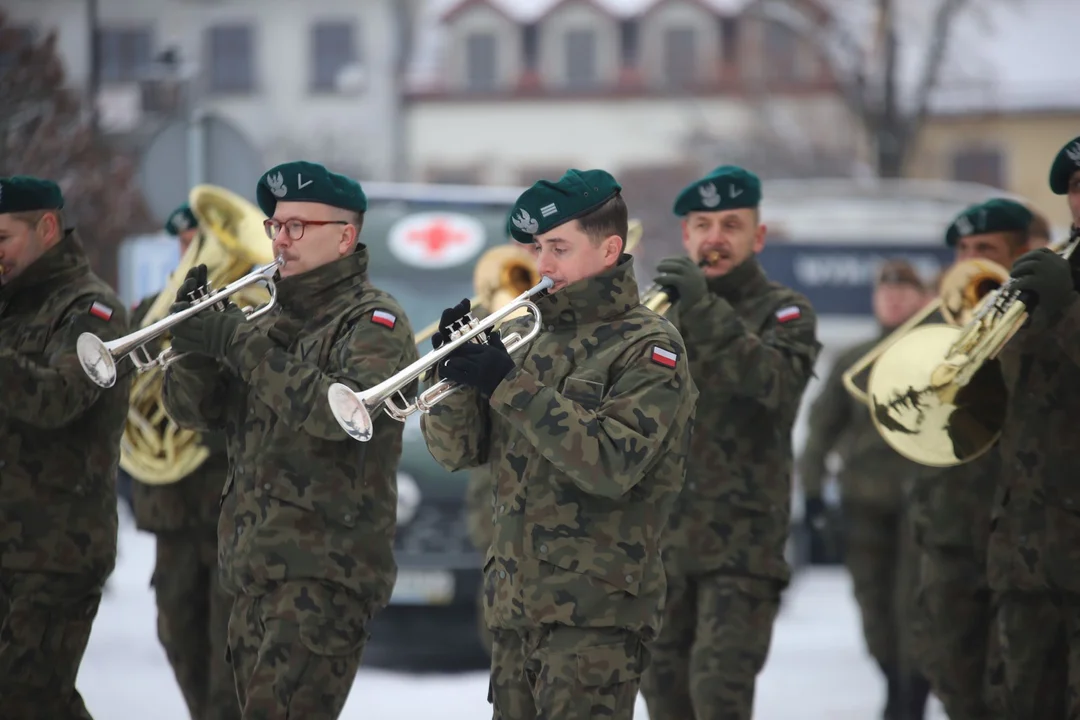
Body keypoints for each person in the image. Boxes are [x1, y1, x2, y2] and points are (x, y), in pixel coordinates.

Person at [420, 168, 698, 720]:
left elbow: (612, 463)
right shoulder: (529, 338)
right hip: (514, 612)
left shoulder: (649, 347)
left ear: (608, 248)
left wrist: (506, 384)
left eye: (559, 248)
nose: (542, 265)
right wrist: (450, 381)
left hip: (595, 619)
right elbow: (459, 454)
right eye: (537, 247)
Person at [161, 161, 419, 720]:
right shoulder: (266, 322)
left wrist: (235, 343)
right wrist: (195, 347)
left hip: (323, 575)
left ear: (346, 236)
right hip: (252, 572)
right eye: (276, 225)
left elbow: (340, 414)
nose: (282, 238)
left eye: (299, 226)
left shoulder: (375, 323)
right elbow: (194, 411)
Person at [638, 165, 821, 720]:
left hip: (740, 548)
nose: (714, 238)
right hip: (661, 546)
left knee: (719, 695)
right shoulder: (656, 315)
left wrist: (703, 307)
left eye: (731, 225)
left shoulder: (785, 311)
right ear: (686, 236)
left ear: (757, 237)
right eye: (702, 224)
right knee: (665, 699)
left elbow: (776, 385)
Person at [0, 175, 131, 718]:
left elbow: (54, 400)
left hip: (54, 547)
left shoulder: (92, 311)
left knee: (26, 699)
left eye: (2, 238)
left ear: (46, 228)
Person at [905, 198, 1036, 720]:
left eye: (985, 249)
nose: (970, 259)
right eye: (962, 250)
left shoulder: (1045, 320)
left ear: (1020, 252)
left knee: (1018, 688)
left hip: (1022, 537)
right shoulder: (938, 329)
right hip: (950, 533)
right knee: (955, 682)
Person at [799, 259, 933, 719]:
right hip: (865, 506)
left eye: (905, 290)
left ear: (924, 298)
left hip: (926, 508)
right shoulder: (855, 360)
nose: (894, 298)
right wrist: (813, 492)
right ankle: (893, 684)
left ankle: (908, 699)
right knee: (874, 610)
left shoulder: (941, 353)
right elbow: (821, 429)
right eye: (886, 291)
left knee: (913, 609)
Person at [126, 201, 238, 720]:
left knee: (227, 658)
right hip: (170, 512)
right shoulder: (152, 307)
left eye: (201, 240)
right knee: (177, 634)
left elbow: (240, 405)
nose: (190, 250)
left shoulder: (243, 309)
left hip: (223, 510)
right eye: (186, 241)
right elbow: (124, 394)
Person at [983, 134, 1080, 717]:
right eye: (1075, 187)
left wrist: (1064, 309)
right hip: (1026, 549)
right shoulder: (1051, 273)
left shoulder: (1058, 287)